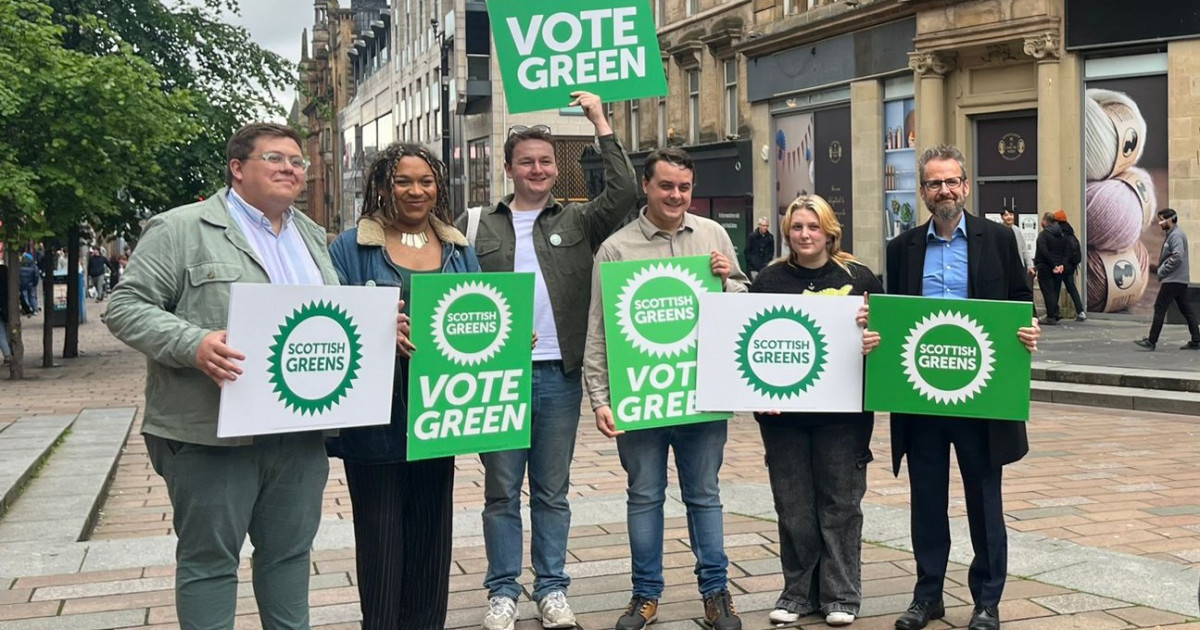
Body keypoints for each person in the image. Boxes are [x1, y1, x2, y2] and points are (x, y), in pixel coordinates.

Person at [105, 122, 339, 630]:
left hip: (297, 434)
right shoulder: (181, 228)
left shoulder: (312, 236)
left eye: (297, 162)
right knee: (210, 565)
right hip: (210, 433)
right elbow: (124, 306)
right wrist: (193, 344)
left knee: (289, 557)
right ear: (237, 168)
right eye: (275, 159)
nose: (290, 169)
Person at [462, 90, 637, 630]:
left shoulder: (581, 221)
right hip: (499, 377)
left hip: (559, 377)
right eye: (526, 161)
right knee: (500, 491)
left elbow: (627, 190)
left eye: (544, 161)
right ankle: (502, 591)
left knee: (552, 492)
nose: (537, 169)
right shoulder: (477, 226)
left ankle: (553, 587)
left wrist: (599, 120)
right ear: (509, 168)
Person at [584, 147, 750, 630]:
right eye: (666, 186)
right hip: (643, 394)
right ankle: (645, 595)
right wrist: (600, 398)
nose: (676, 195)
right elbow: (598, 329)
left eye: (684, 187)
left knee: (705, 495)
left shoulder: (714, 234)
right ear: (646, 187)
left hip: (703, 392)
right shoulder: (615, 248)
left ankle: (717, 594)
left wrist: (728, 282)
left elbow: (740, 299)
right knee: (645, 495)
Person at [877, 145, 1039, 630]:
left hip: (981, 396)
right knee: (926, 498)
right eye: (933, 183)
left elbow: (1017, 301)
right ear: (922, 191)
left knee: (984, 501)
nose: (944, 190)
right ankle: (927, 595)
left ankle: (987, 599)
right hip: (921, 395)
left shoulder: (998, 238)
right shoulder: (901, 246)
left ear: (966, 186)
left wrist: (1028, 328)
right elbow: (894, 316)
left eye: (952, 181)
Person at [327, 143, 479, 630]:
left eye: (426, 181)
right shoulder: (350, 248)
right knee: (380, 538)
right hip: (376, 414)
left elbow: (477, 309)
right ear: (382, 186)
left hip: (440, 412)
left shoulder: (459, 248)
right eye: (403, 181)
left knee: (433, 538)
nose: (416, 191)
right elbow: (332, 322)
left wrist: (506, 334)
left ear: (439, 187)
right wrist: (374, 331)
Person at [752, 194, 882, 628]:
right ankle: (797, 594)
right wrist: (757, 399)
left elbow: (885, 340)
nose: (805, 235)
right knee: (793, 508)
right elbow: (752, 346)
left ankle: (842, 595)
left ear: (830, 231)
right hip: (783, 419)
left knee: (841, 505)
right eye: (796, 227)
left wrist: (872, 338)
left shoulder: (860, 277)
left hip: (844, 417)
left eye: (813, 226)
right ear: (786, 233)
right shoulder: (768, 280)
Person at [1136, 208, 1200, 351]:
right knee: (1186, 309)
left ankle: (1151, 341)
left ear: (1171, 220)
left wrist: (1163, 270)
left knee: (1160, 307)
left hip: (1173, 279)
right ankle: (1196, 339)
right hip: (1179, 279)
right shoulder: (1173, 234)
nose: (1160, 223)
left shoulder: (1176, 235)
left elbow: (1177, 256)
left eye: (1163, 219)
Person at [1033, 211, 1068, 324]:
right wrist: (1061, 264)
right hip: (1059, 268)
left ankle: (1051, 316)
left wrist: (1052, 265)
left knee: (1048, 292)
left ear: (1044, 221)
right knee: (1055, 291)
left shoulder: (1043, 235)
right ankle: (1055, 312)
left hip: (1045, 267)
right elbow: (1066, 251)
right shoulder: (1061, 235)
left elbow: (1043, 251)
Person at [1055, 210, 1086, 321]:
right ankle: (1080, 311)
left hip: (1061, 266)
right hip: (1071, 267)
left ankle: (1054, 312)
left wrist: (1059, 264)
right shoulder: (1070, 232)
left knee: (1055, 289)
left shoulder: (1059, 233)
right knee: (1072, 288)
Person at [1000, 209, 1033, 279]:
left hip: (1017, 266)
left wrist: (1030, 265)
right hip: (1003, 267)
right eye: (1006, 215)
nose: (1009, 217)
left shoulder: (1017, 230)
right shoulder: (998, 230)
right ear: (1002, 217)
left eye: (1011, 215)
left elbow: (1023, 249)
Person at [745, 216, 774, 280]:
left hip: (765, 266)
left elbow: (771, 252)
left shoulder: (770, 237)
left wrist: (768, 262)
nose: (765, 228)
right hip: (754, 267)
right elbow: (747, 251)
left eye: (767, 226)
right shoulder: (752, 237)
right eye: (763, 226)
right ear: (759, 226)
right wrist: (751, 264)